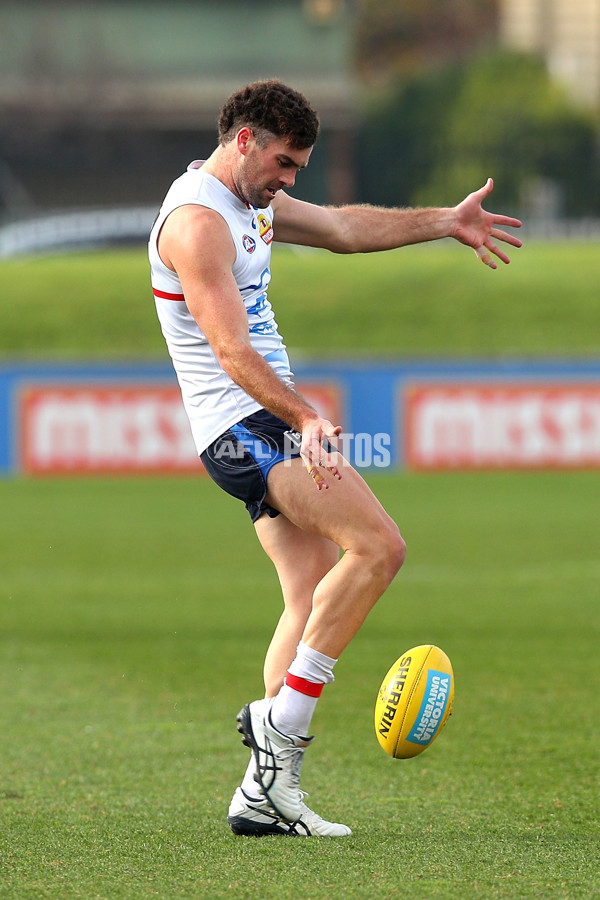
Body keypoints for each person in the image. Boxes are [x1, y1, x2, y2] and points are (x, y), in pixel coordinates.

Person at [148, 79, 522, 837]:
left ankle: (264, 793)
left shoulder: (251, 199)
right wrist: (306, 416)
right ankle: (278, 731)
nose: (290, 181)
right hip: (247, 423)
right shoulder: (197, 224)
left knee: (309, 592)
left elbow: (347, 228)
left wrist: (443, 221)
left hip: (256, 419)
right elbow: (228, 350)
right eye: (285, 162)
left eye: (299, 169)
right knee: (379, 547)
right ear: (245, 139)